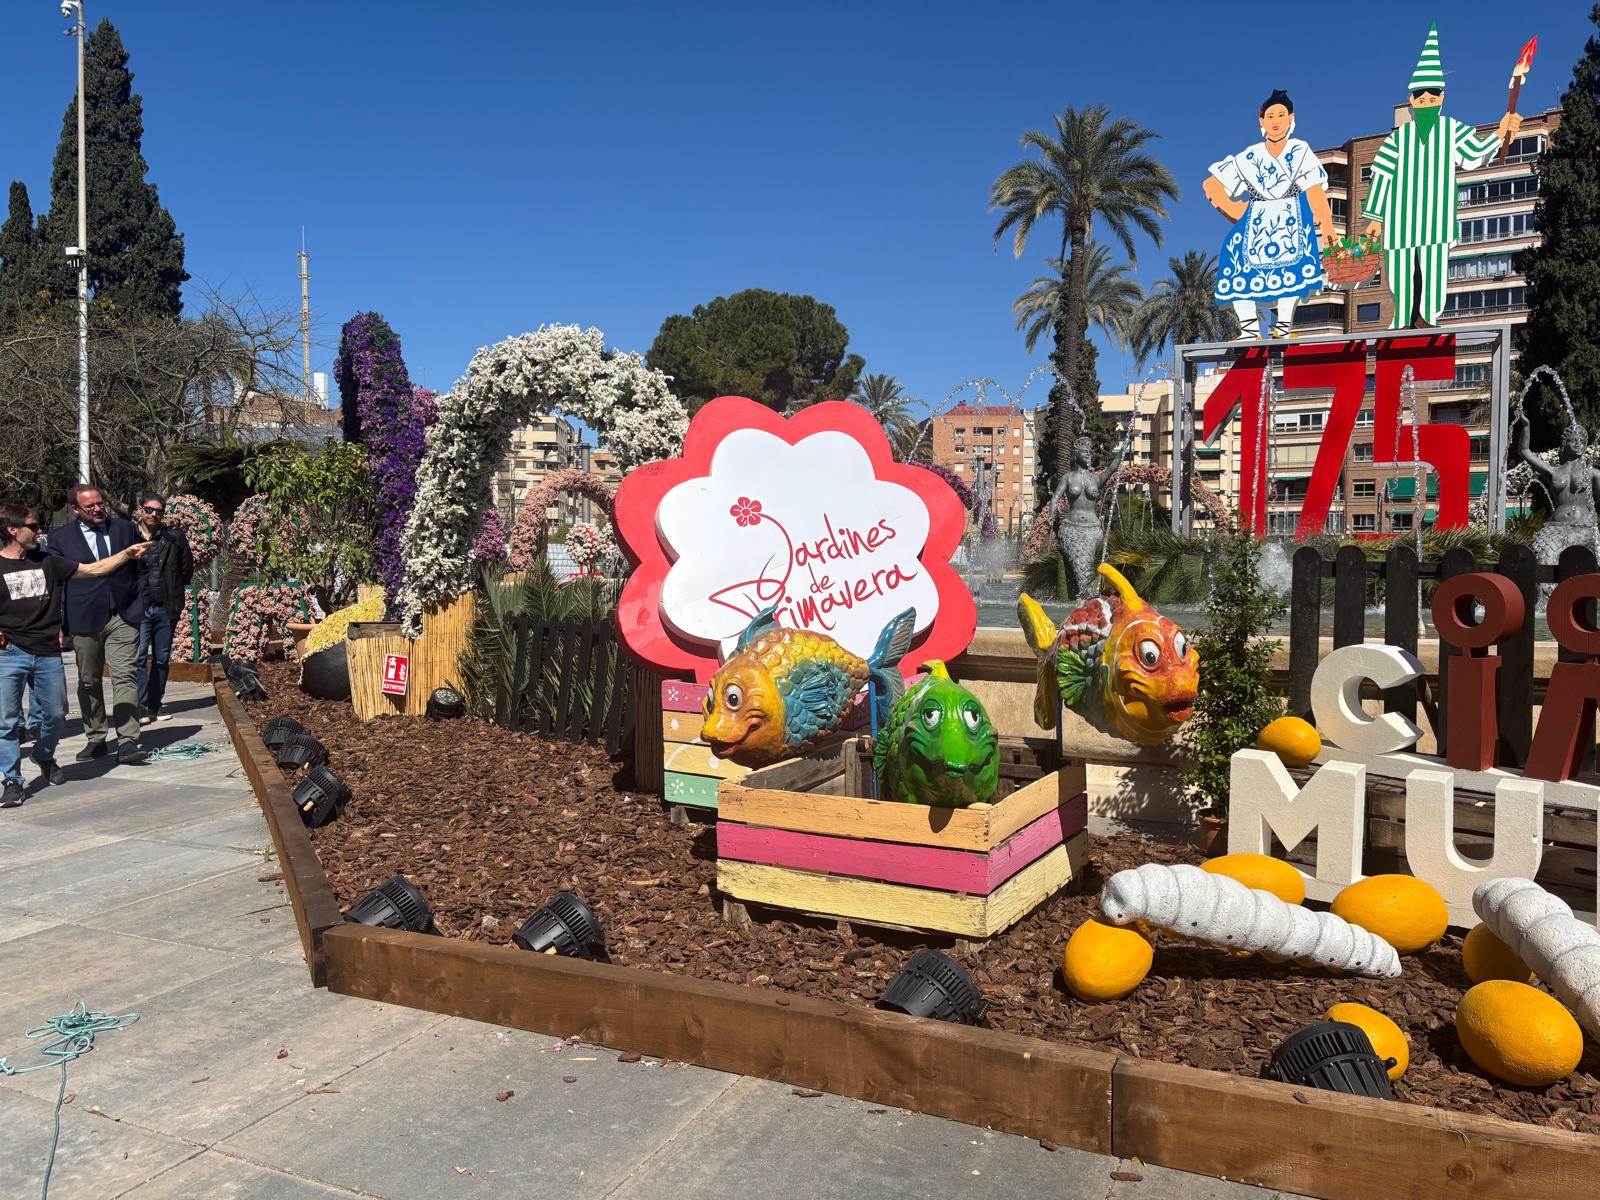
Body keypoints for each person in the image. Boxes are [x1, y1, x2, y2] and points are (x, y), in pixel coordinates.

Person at [1363, 23, 1523, 329]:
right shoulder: (1398, 139)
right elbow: (1381, 174)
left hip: (1435, 222)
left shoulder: (1451, 130)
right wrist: (1374, 218)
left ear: (1441, 97)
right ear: (1411, 100)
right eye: (1419, 95)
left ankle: (1427, 316)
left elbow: (1475, 153)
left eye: (1432, 94)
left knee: (1433, 271)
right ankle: (1403, 318)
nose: (1425, 100)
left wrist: (1502, 132)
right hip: (1399, 223)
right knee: (1399, 272)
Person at [1, 503, 147, 808]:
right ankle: (12, 780)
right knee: (7, 722)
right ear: (12, 530)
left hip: (47, 653)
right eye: (33, 526)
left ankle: (43, 755)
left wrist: (125, 554)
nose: (39, 531)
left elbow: (93, 569)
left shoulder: (49, 562)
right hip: (10, 654)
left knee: (55, 715)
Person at [1205, 89, 1336, 339]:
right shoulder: (1250, 156)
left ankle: (1284, 327)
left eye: (1281, 115)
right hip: (1254, 219)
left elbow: (1314, 190)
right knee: (1237, 265)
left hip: (1291, 220)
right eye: (1271, 116)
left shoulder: (1300, 150)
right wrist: (1232, 208)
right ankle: (1249, 329)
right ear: (1262, 121)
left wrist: (1328, 224)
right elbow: (1211, 184)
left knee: (1292, 272)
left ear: (1290, 118)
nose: (1276, 121)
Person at [46, 484, 150, 765]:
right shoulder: (60, 538)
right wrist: (56, 622)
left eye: (100, 503)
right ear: (76, 510)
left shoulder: (124, 529)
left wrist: (141, 601)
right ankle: (96, 737)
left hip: (123, 614)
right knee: (88, 680)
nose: (97, 509)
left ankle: (128, 739)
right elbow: (56, 584)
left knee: (124, 674)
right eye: (90, 506)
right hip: (84, 617)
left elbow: (140, 568)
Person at [132, 492, 194, 724]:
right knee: (138, 658)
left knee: (161, 659)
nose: (154, 514)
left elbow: (186, 570)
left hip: (165, 609)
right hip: (138, 609)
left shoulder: (174, 538)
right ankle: (139, 707)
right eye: (149, 510)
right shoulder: (130, 537)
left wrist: (174, 593)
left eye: (158, 511)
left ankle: (153, 707)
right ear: (140, 509)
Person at [1050, 435, 1123, 601]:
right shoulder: (1067, 477)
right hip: (1072, 528)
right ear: (1076, 455)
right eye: (1085, 452)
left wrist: (1126, 445)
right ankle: (1087, 597)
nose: (1089, 455)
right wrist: (1051, 512)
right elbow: (1055, 498)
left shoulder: (1095, 479)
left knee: (1095, 564)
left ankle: (1093, 598)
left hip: (1094, 528)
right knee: (1080, 563)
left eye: (1090, 452)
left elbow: (1112, 468)